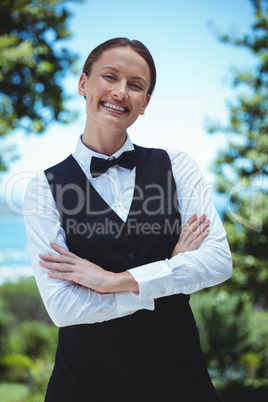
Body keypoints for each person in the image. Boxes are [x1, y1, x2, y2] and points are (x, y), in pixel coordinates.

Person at [23, 37, 232, 402]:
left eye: (136, 85)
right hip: (84, 385)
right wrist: (170, 274)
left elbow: (218, 261)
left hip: (180, 381)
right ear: (83, 83)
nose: (121, 91)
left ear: (145, 103)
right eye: (110, 76)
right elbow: (64, 307)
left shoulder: (177, 165)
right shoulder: (42, 188)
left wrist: (112, 281)